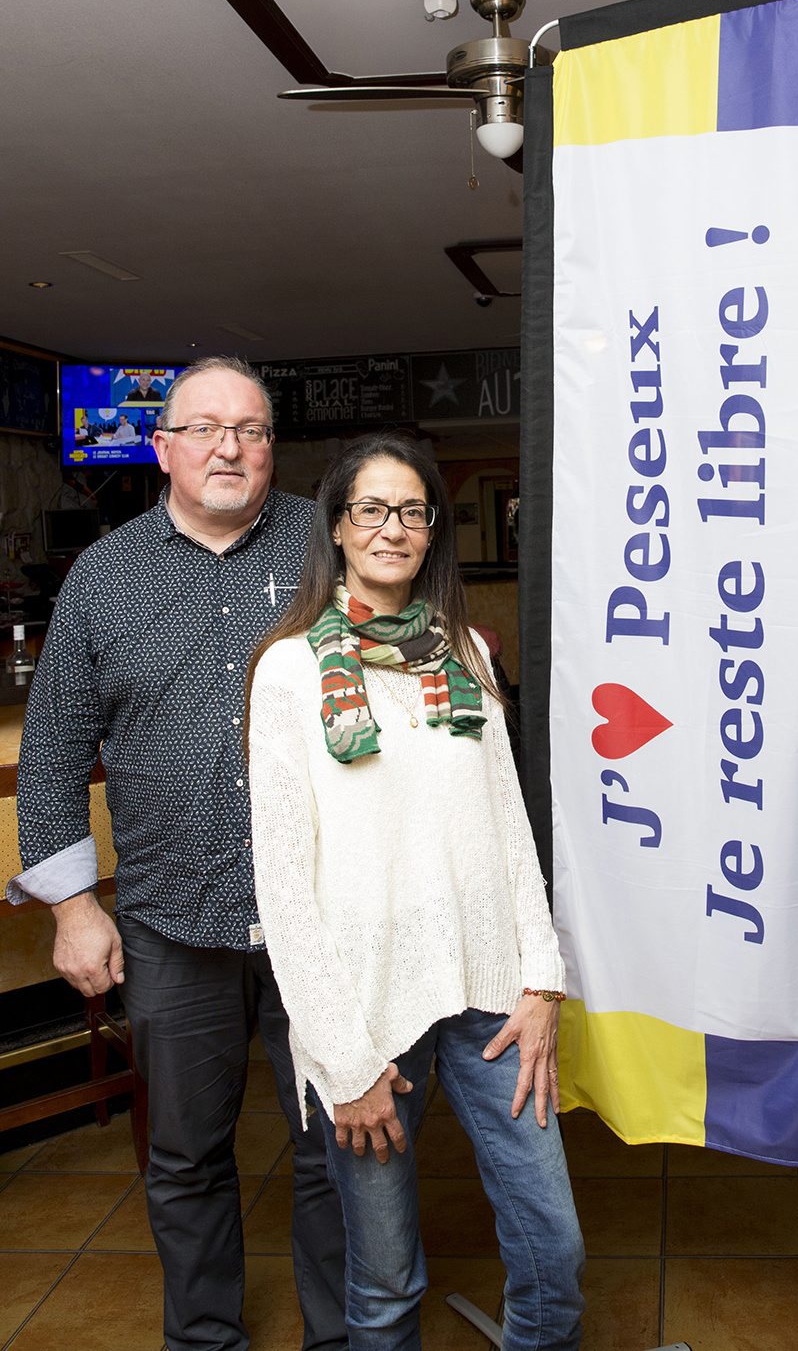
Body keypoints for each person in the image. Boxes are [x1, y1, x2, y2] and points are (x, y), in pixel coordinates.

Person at [9, 355, 347, 1351]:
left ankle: (347, 1335)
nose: (228, 446)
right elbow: (55, 747)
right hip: (169, 917)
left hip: (320, 915)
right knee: (187, 1154)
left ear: (271, 446)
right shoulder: (103, 577)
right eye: (204, 427)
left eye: (249, 428)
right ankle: (204, 1338)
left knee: (338, 1145)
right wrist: (74, 905)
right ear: (163, 447)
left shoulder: (327, 546)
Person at [246, 432, 585, 1351]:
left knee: (553, 1248)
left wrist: (541, 981)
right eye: (372, 509)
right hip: (367, 1016)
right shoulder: (288, 671)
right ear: (339, 528)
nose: (393, 528)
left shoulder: (465, 654)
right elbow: (280, 881)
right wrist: (340, 1060)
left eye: (411, 511)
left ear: (431, 532)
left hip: (491, 998)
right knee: (387, 1286)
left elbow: (511, 829)